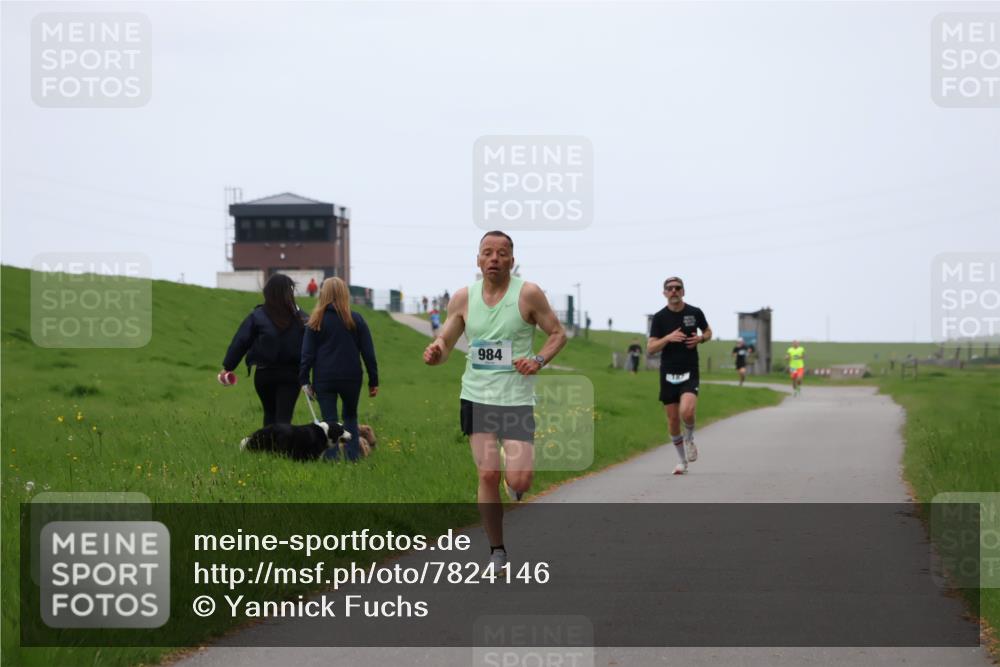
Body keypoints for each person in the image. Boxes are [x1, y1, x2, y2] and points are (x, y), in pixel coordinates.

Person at [423, 231, 566, 572]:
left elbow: (557, 334)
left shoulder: (528, 294)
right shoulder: (462, 298)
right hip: (477, 396)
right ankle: (497, 551)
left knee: (519, 482)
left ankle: (511, 478)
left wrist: (538, 361)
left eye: (502, 253)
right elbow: (446, 341)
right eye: (487, 252)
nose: (494, 258)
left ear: (511, 261)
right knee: (486, 473)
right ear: (477, 259)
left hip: (516, 399)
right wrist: (435, 352)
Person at [300, 277, 379, 461]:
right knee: (350, 416)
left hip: (324, 378)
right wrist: (373, 380)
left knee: (329, 420)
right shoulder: (356, 319)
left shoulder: (315, 321)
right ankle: (353, 457)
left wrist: (304, 380)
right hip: (351, 378)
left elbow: (307, 354)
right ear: (345, 294)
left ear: (323, 294)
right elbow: (369, 353)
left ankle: (331, 459)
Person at [222, 274, 308, 427]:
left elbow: (241, 341)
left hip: (264, 374)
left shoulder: (257, 316)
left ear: (268, 292)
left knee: (269, 414)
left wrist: (228, 367)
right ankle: (282, 450)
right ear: (290, 292)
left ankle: (268, 449)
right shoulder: (302, 318)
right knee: (284, 418)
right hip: (291, 375)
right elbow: (312, 347)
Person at [647, 277, 712, 475]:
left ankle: (690, 438)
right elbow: (650, 348)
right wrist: (667, 338)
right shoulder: (659, 318)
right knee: (673, 420)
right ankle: (682, 460)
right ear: (664, 293)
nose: (674, 291)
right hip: (668, 371)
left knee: (688, 411)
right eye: (670, 288)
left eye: (678, 288)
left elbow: (708, 331)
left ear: (683, 291)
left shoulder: (694, 312)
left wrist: (701, 338)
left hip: (690, 368)